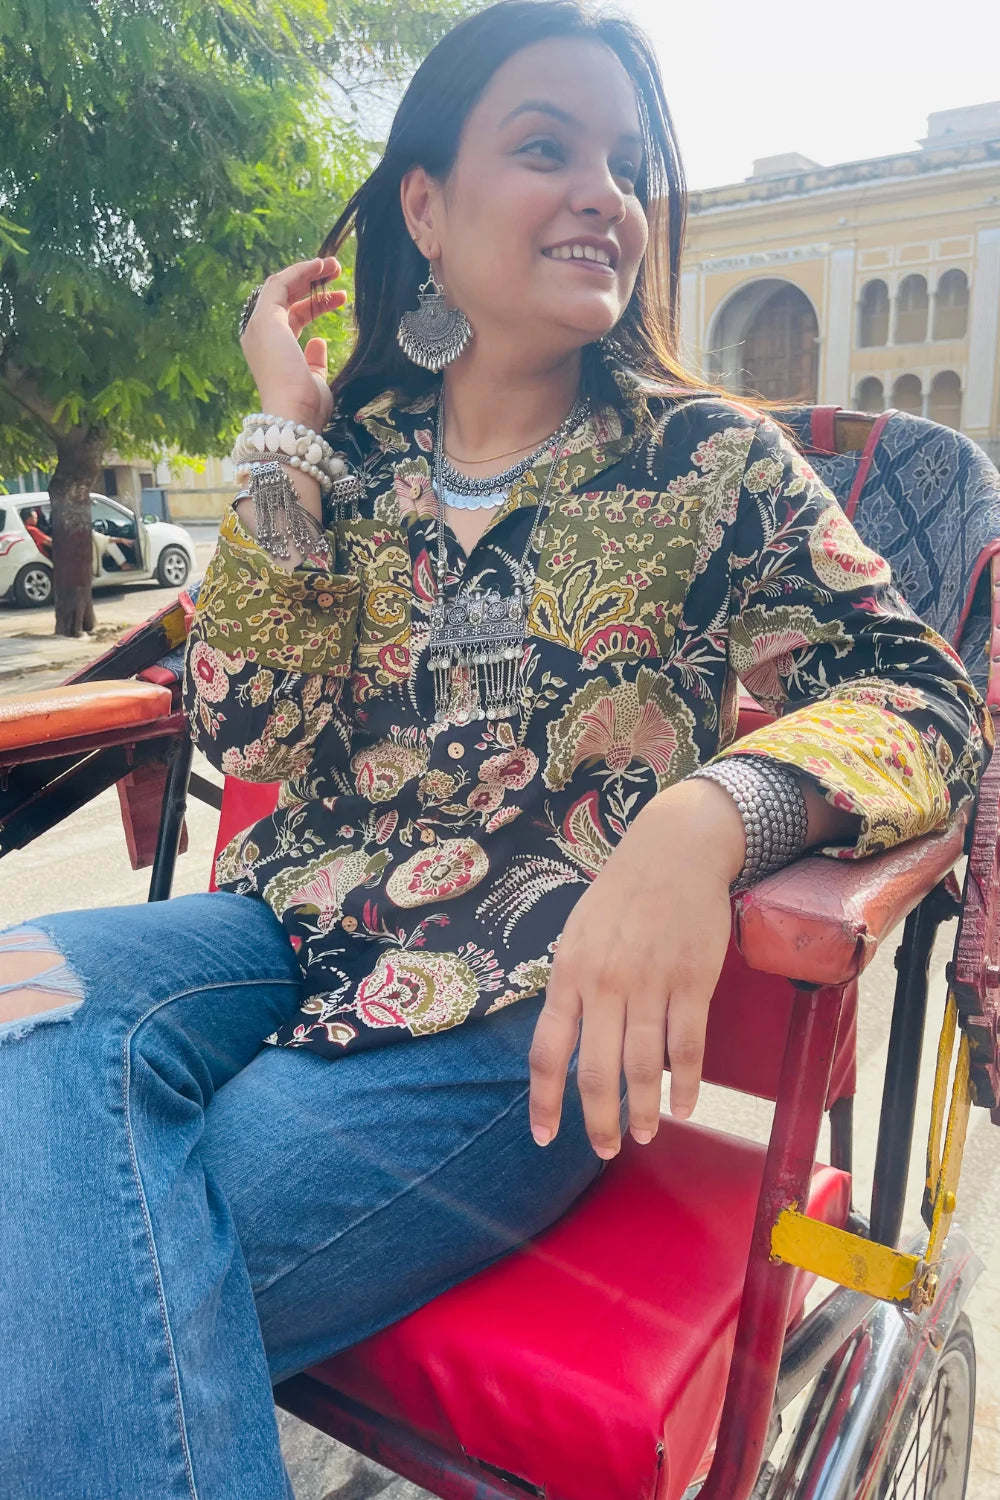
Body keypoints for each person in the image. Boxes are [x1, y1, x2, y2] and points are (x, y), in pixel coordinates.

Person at [1, 3, 990, 1495]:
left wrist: (705, 820)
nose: (607, 190)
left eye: (628, 162)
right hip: (276, 933)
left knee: (69, 1271)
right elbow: (258, 724)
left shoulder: (708, 466)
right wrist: (288, 437)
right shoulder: (361, 457)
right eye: (546, 148)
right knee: (24, 1000)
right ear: (427, 210)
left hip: (510, 1018)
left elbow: (930, 696)